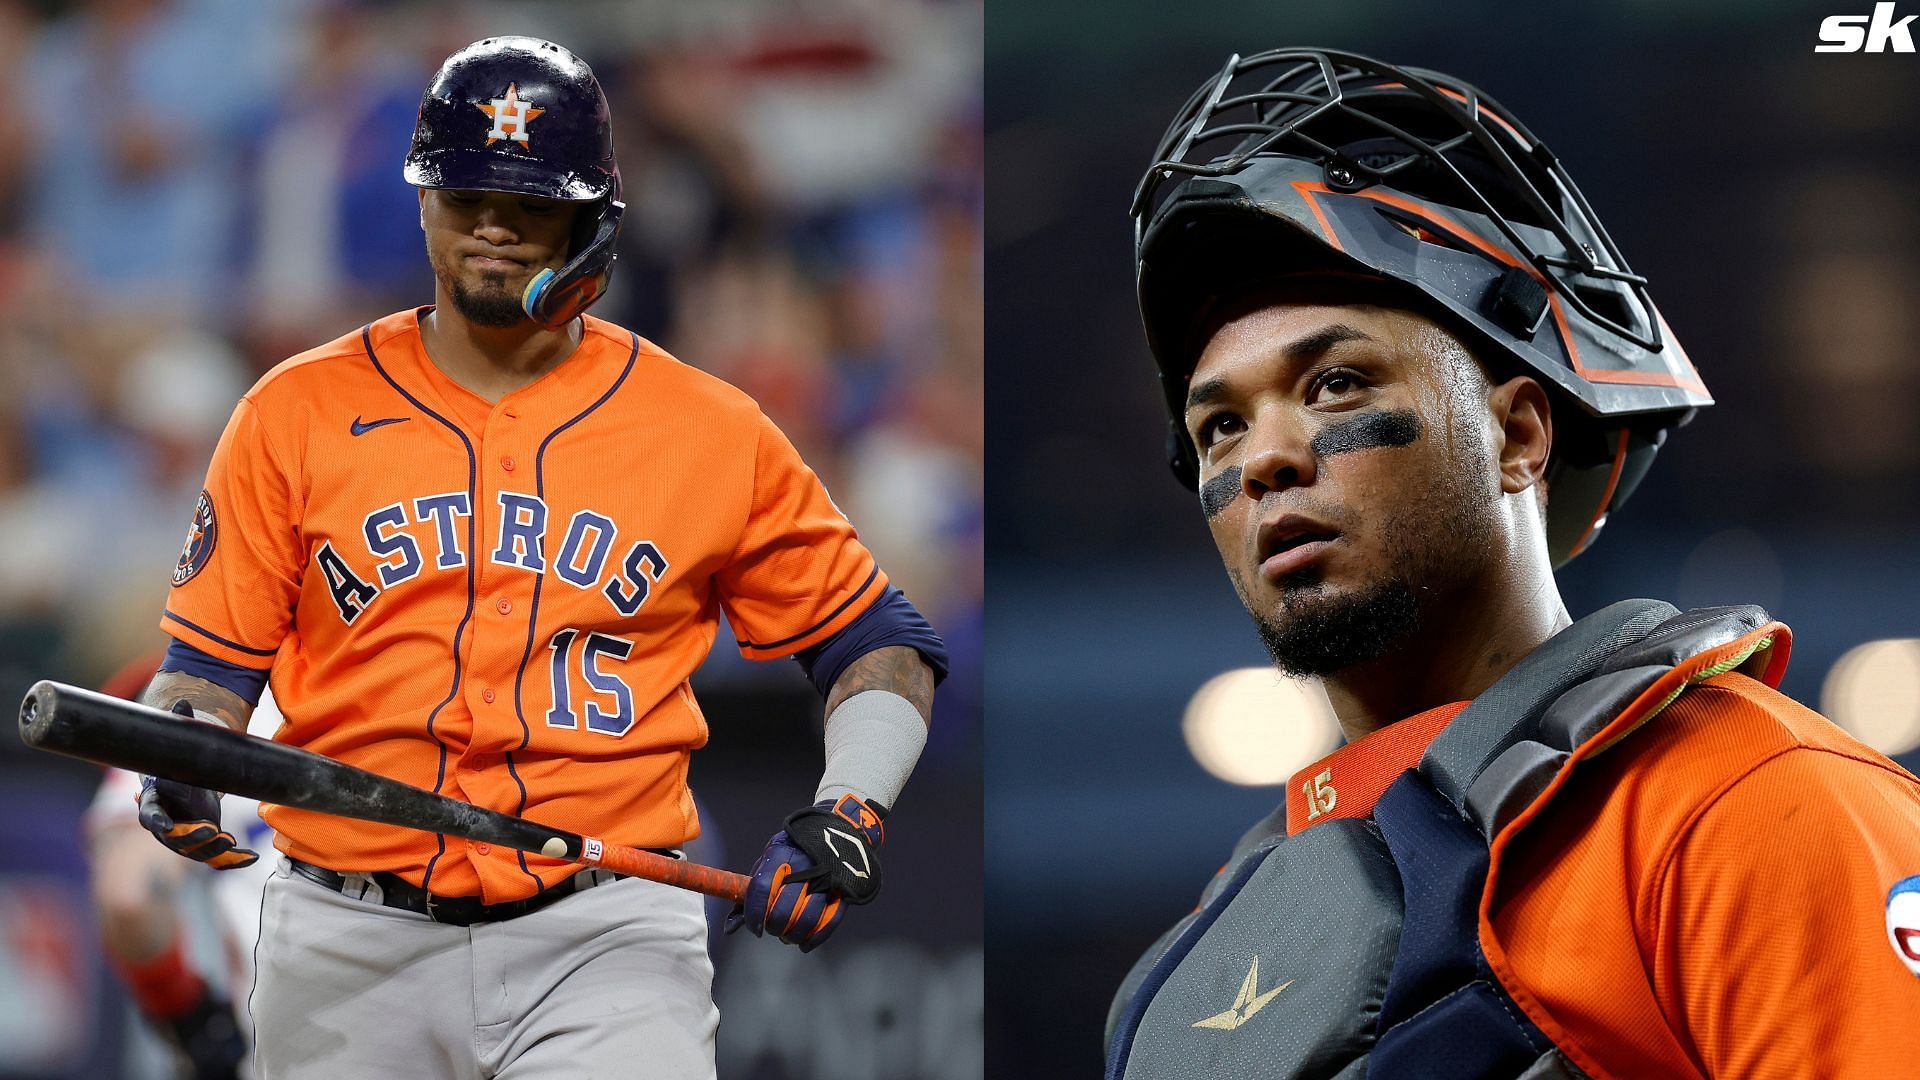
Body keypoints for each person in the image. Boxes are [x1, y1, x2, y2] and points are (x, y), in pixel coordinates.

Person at [133, 36, 945, 1079]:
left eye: (530, 201)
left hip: (603, 939)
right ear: (423, 201)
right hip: (345, 936)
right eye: (466, 195)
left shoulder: (708, 428)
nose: (495, 228)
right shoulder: (294, 409)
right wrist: (184, 753)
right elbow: (205, 670)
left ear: (594, 217)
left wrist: (852, 807)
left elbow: (880, 645)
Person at [1108, 48, 1920, 1079]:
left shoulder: (1748, 804)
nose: (1263, 456)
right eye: (1220, 426)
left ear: (1520, 435)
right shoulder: (1197, 964)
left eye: (1339, 382)